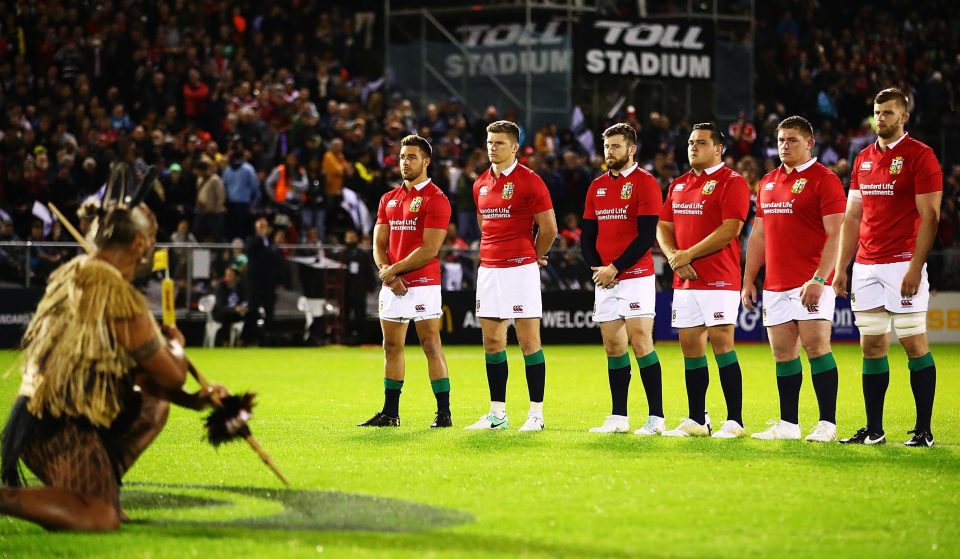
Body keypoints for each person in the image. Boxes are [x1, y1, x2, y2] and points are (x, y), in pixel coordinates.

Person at [0, 170, 224, 531]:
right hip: (60, 423)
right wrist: (175, 347)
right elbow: (171, 373)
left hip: (41, 416)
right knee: (99, 518)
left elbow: (139, 378)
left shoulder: (74, 273)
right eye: (150, 240)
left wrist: (195, 402)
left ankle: (99, 484)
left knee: (155, 405)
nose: (151, 248)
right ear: (137, 244)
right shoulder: (115, 295)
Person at [833, 88, 943, 447]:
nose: (881, 119)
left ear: (904, 117)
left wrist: (915, 266)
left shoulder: (921, 156)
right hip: (866, 267)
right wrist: (841, 266)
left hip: (901, 264)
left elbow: (931, 215)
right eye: (877, 113)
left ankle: (924, 430)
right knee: (872, 347)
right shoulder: (863, 158)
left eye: (889, 113)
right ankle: (874, 429)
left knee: (914, 344)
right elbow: (852, 216)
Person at [741, 116, 846, 442]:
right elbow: (758, 235)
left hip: (811, 281)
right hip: (775, 284)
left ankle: (827, 424)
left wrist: (819, 278)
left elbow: (836, 233)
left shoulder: (824, 180)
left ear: (809, 143)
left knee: (817, 348)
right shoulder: (768, 181)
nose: (784, 146)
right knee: (783, 354)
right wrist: (748, 280)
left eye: (792, 140)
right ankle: (788, 425)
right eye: (781, 140)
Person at [657, 122, 750, 439]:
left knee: (723, 344)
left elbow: (731, 229)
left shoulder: (732, 182)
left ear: (718, 148)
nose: (693, 147)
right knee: (690, 348)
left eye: (700, 142)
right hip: (685, 282)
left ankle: (735, 421)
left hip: (720, 278)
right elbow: (663, 225)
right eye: (690, 142)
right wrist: (674, 256)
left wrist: (688, 254)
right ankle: (697, 419)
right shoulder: (679, 184)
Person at [466, 120, 558, 431]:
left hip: (520, 270)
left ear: (515, 147)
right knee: (492, 342)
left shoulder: (530, 182)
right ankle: (497, 415)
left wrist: (533, 256)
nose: (493, 147)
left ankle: (536, 415)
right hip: (489, 269)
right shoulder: (480, 183)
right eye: (490, 142)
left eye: (500, 143)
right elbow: (484, 223)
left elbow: (549, 229)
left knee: (528, 341)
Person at [359, 135, 453, 428]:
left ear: (426, 161)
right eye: (402, 157)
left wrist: (393, 271)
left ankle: (444, 414)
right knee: (391, 347)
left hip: (423, 282)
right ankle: (390, 413)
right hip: (393, 284)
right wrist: (388, 272)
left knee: (430, 344)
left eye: (412, 157)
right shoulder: (388, 199)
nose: (405, 162)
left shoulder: (437, 199)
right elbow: (378, 243)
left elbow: (429, 250)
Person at [580, 123, 664, 435]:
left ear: (631, 150)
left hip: (636, 275)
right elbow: (587, 236)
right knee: (613, 347)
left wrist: (615, 268)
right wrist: (598, 270)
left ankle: (656, 418)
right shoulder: (596, 186)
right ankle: (619, 417)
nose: (609, 153)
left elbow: (645, 237)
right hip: (605, 278)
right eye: (606, 147)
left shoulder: (646, 183)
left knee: (641, 342)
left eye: (616, 147)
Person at [242, 216, 283, 345]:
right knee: (252, 311)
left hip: (269, 283)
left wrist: (279, 281)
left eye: (264, 226)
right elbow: (249, 250)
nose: (263, 229)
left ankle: (267, 339)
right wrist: (260, 236)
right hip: (254, 283)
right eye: (260, 226)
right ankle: (249, 339)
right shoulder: (252, 240)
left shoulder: (271, 243)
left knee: (269, 311)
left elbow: (277, 261)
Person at [213, 265, 247, 344]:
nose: (228, 277)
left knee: (252, 315)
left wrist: (244, 307)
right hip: (223, 313)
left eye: (230, 275)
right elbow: (220, 305)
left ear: (235, 277)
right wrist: (234, 309)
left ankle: (242, 340)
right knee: (225, 315)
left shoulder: (240, 286)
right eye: (227, 275)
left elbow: (245, 299)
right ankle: (226, 342)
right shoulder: (221, 287)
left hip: (237, 313)